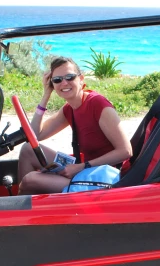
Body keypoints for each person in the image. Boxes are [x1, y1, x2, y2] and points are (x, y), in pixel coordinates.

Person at [17, 57, 132, 195]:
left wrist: (82, 166)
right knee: (27, 150)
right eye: (57, 80)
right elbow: (35, 136)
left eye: (70, 77)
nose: (64, 83)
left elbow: (125, 151)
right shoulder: (69, 109)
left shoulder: (98, 105)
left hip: (104, 177)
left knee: (30, 180)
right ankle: (25, 204)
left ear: (81, 79)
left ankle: (21, 209)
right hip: (84, 169)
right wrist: (46, 95)